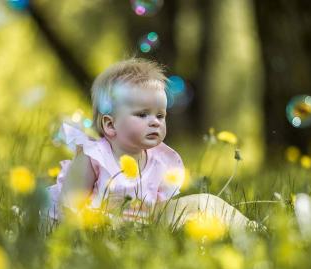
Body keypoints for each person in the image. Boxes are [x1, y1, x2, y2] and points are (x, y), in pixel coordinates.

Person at [46, 58, 249, 230]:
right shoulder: (93, 157)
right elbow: (68, 211)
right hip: (91, 227)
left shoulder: (160, 161)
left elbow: (160, 213)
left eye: (161, 115)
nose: (155, 122)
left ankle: (250, 227)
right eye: (142, 114)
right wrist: (106, 221)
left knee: (205, 202)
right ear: (110, 124)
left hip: (136, 227)